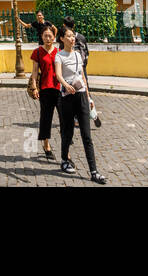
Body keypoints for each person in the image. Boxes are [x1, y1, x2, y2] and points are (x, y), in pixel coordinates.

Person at [54, 28, 106, 184]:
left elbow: (82, 76)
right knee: (68, 132)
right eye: (68, 36)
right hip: (67, 98)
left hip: (81, 95)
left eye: (73, 36)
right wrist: (65, 85)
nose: (72, 39)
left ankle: (94, 171)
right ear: (62, 38)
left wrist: (89, 98)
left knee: (87, 135)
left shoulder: (77, 55)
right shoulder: (59, 56)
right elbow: (58, 75)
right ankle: (64, 159)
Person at [27, 24, 60, 160]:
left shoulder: (59, 52)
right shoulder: (38, 52)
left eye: (50, 36)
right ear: (41, 37)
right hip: (45, 89)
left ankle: (67, 141)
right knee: (46, 118)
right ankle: (46, 144)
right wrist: (34, 87)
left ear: (54, 37)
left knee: (64, 117)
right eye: (45, 36)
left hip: (59, 88)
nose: (47, 38)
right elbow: (35, 72)